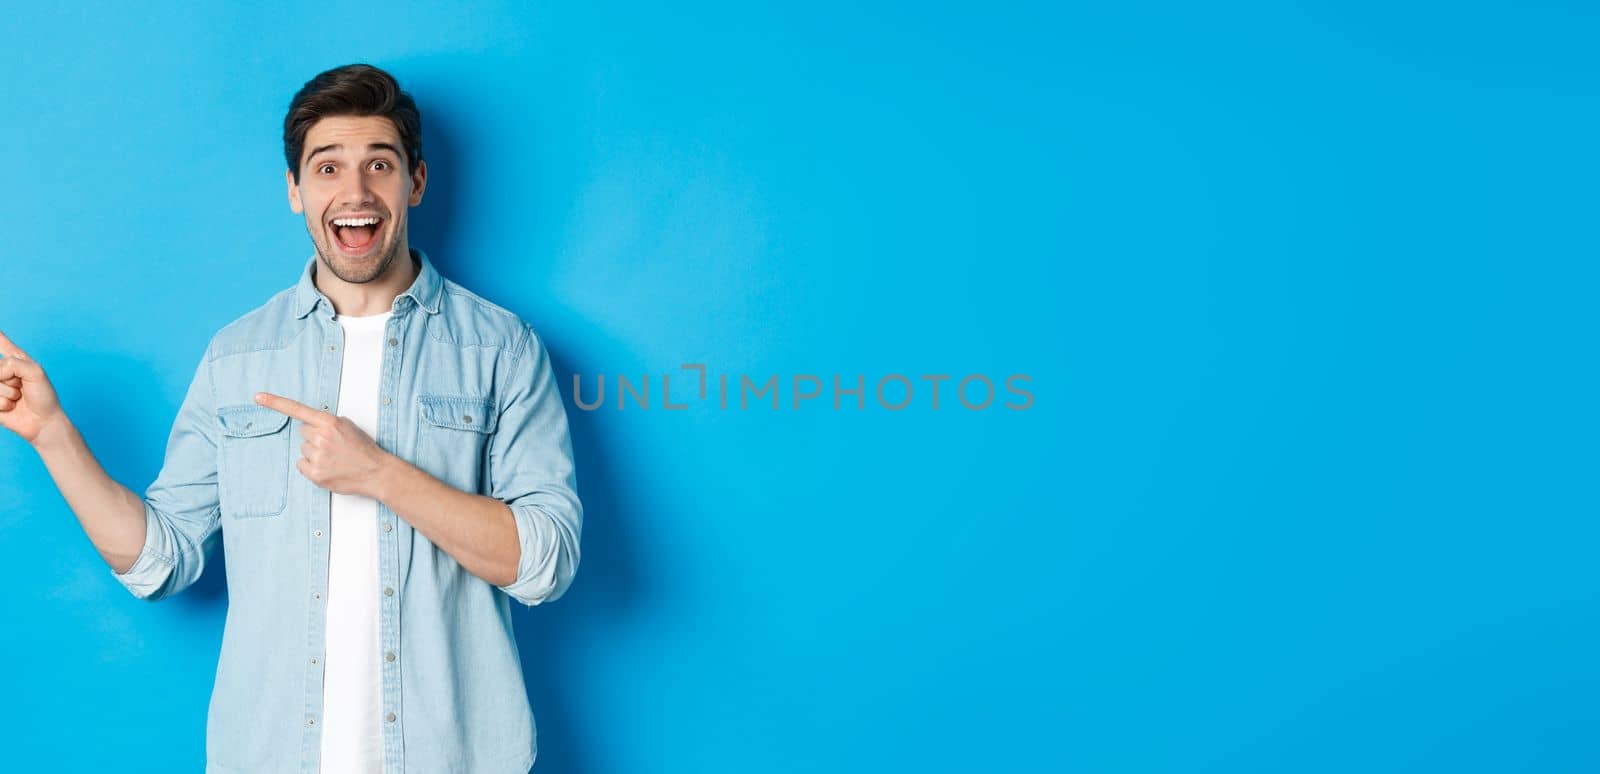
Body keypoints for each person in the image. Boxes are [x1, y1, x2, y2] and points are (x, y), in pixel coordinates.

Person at [0, 63, 582, 773]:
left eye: (380, 164)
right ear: (295, 191)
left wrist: (380, 473)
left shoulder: (501, 348)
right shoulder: (239, 356)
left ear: (415, 183)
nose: (355, 192)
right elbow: (159, 560)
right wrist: (51, 433)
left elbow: (545, 562)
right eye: (328, 167)